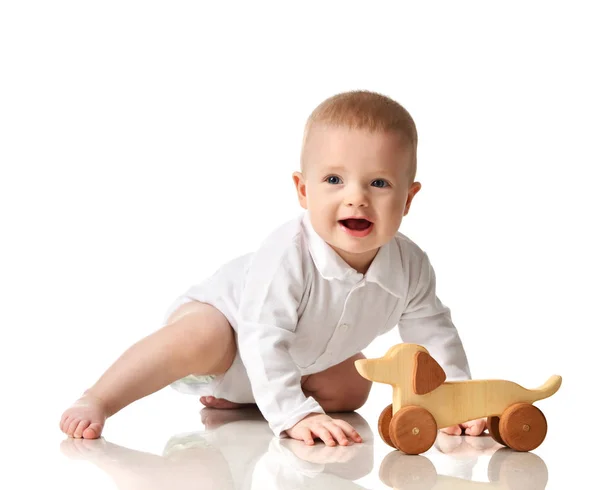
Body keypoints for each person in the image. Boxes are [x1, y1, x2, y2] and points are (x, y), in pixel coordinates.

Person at [60, 90, 487, 446]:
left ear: (408, 200)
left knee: (355, 384)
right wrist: (295, 416)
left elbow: (433, 333)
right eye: (334, 180)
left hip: (296, 359)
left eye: (379, 183)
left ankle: (246, 399)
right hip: (227, 330)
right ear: (303, 190)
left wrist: (454, 398)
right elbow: (261, 333)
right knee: (200, 336)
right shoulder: (288, 254)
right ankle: (98, 397)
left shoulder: (410, 266)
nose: (356, 197)